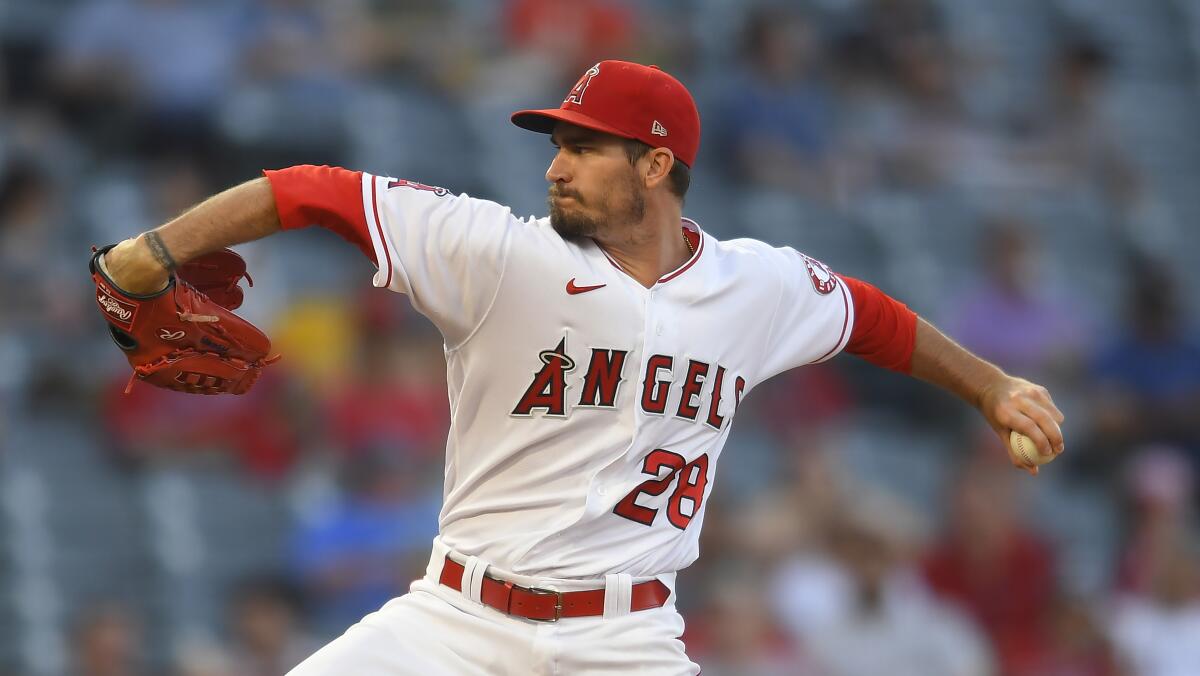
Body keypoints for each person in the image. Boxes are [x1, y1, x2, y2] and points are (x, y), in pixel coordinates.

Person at [95, 60, 1065, 675]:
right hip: (455, 625)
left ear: (655, 166)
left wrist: (991, 385)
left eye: (583, 147)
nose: (555, 165)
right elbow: (308, 190)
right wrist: (154, 251)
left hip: (625, 642)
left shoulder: (754, 285)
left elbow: (869, 316)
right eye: (556, 145)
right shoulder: (503, 254)